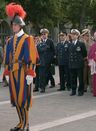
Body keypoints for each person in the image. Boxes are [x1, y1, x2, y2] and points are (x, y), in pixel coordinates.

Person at [4, 3, 38, 131]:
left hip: (23, 72)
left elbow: (32, 58)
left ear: (21, 25)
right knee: (16, 99)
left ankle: (26, 124)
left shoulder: (28, 39)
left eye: (16, 25)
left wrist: (30, 73)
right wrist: (6, 73)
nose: (13, 26)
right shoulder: (9, 41)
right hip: (13, 73)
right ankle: (20, 122)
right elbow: (7, 59)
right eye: (13, 24)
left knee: (23, 99)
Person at [69, 29, 87, 96]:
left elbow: (84, 54)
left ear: (77, 36)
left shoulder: (81, 44)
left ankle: (80, 91)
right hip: (72, 63)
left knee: (80, 78)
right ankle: (73, 90)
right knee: (73, 78)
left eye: (74, 35)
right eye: (72, 34)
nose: (73, 36)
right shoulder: (70, 44)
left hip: (79, 63)